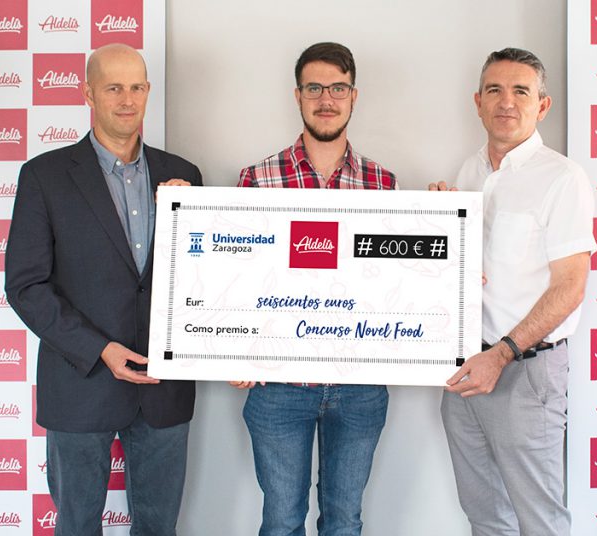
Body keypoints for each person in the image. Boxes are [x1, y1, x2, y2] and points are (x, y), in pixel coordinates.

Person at [5, 43, 201, 536]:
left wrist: (194, 216)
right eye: (113, 87)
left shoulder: (184, 176)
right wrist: (100, 349)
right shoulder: (44, 176)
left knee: (158, 528)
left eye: (136, 87)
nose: (127, 99)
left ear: (149, 92)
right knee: (77, 526)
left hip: (164, 387)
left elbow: (205, 278)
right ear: (88, 92)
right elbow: (26, 285)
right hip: (80, 381)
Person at [231, 42, 396, 536]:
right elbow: (239, 277)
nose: (327, 99)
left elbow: (391, 284)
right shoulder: (256, 179)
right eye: (315, 88)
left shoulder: (382, 183)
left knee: (345, 521)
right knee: (281, 522)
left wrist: (453, 238)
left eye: (338, 88)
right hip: (279, 387)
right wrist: (233, 349)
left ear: (354, 95)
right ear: (298, 96)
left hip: (360, 386)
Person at [430, 48, 595, 536]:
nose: (507, 102)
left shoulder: (563, 178)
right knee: (484, 515)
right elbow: (468, 271)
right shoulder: (469, 172)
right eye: (495, 90)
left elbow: (571, 287)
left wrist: (500, 354)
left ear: (542, 106)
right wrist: (438, 221)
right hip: (464, 369)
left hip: (525, 371)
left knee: (539, 519)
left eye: (521, 91)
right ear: (477, 102)